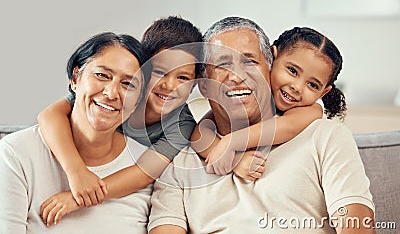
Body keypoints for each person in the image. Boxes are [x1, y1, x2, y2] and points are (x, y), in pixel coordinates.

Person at [148, 17, 375, 233]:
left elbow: (357, 224)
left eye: (249, 61)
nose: (237, 76)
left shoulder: (324, 135)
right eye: (223, 64)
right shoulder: (179, 161)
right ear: (204, 84)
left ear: (269, 68)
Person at [36, 16, 203, 224]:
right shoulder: (118, 92)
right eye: (159, 72)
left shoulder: (182, 123)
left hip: (117, 187)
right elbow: (50, 115)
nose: (169, 86)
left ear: (195, 84)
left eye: (183, 78)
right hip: (82, 159)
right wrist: (76, 170)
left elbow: (143, 173)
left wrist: (78, 198)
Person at [0, 32, 151, 233]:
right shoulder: (16, 153)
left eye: (128, 84)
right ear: (75, 78)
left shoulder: (146, 166)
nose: (111, 93)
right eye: (102, 75)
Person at [191, 26, 347, 179]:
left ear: (324, 91)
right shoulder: (251, 95)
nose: (297, 87)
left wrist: (232, 142)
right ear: (272, 58)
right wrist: (236, 162)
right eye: (292, 71)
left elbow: (288, 126)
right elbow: (199, 134)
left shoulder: (311, 109)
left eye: (312, 85)